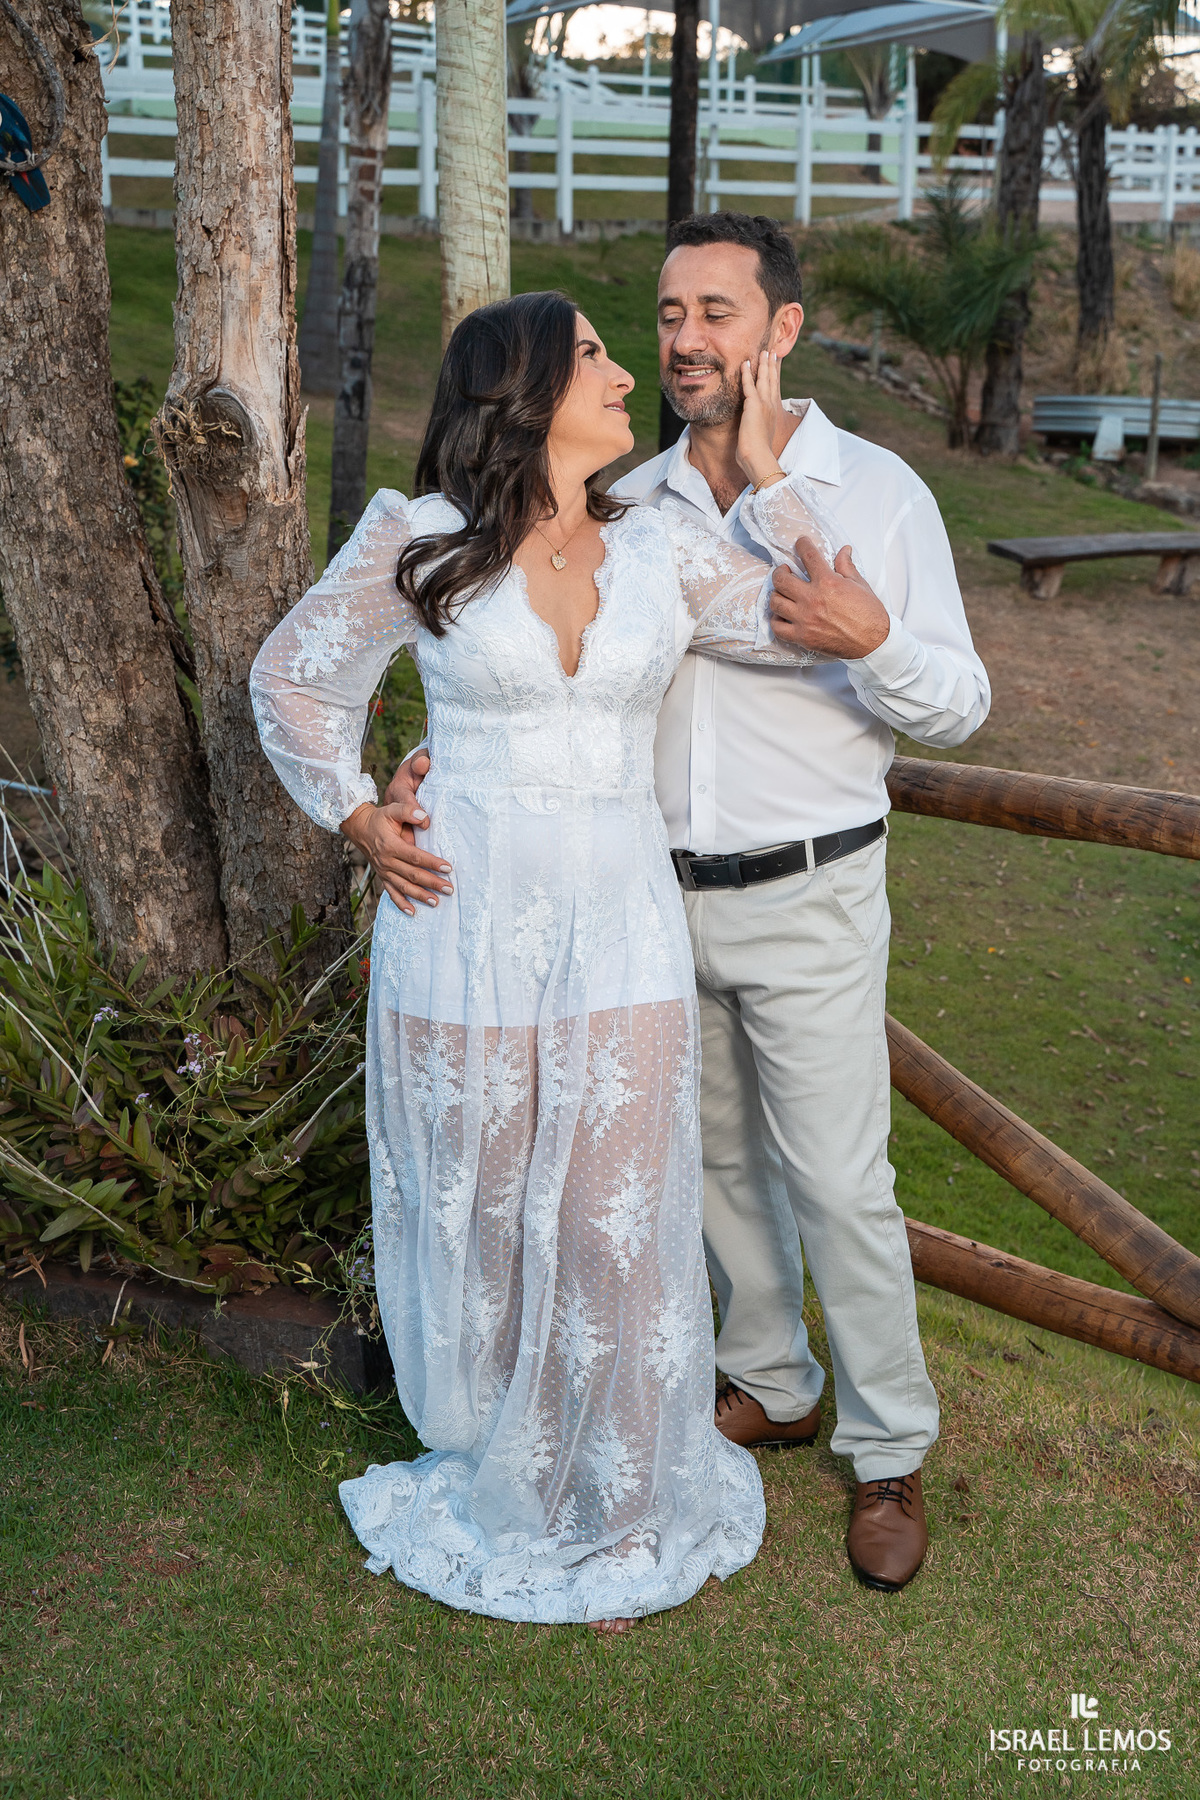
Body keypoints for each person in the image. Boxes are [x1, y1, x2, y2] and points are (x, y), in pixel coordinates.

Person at [379, 216, 991, 1595]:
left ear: (782, 330)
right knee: (701, 1179)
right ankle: (770, 1381)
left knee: (839, 1183)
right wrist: (434, 768)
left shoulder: (876, 494)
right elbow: (522, 647)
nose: (681, 342)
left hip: (810, 889)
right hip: (640, 905)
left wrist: (874, 635)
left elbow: (958, 701)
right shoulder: (626, 499)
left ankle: (889, 1449)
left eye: (717, 311)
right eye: (664, 315)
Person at [250, 290, 847, 1628]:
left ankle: (616, 1497)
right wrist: (358, 809)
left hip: (621, 930)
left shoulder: (664, 551)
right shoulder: (419, 539)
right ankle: (499, 1457)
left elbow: (825, 614)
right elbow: (290, 679)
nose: (629, 372)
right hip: (459, 929)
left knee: (608, 1219)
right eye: (594, 357)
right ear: (521, 393)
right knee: (485, 1202)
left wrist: (767, 477)